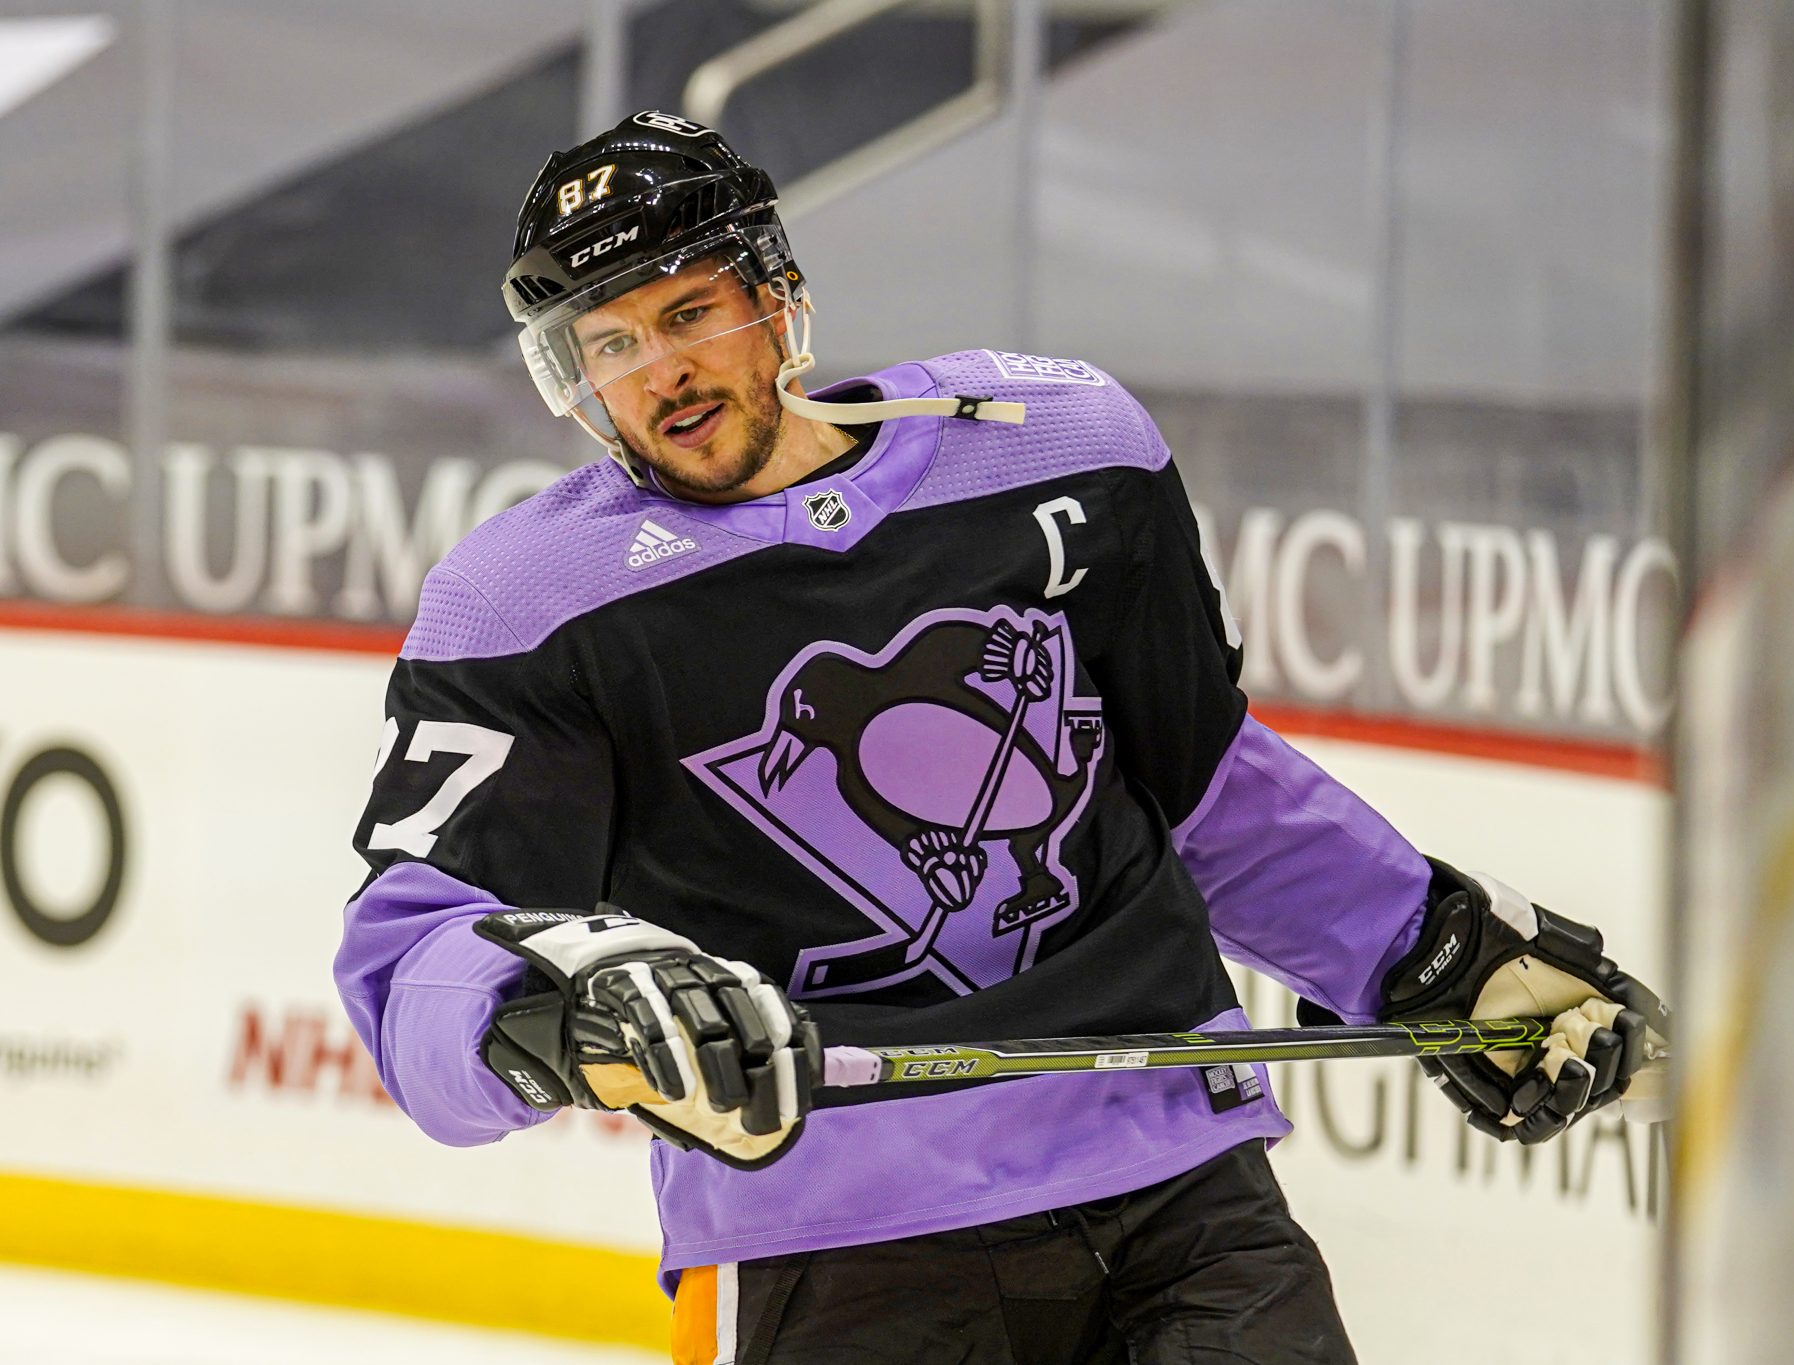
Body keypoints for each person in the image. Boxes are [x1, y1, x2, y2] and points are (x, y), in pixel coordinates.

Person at [335, 110, 1666, 1365]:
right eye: (610, 343)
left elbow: (1205, 793)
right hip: (836, 1247)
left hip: (1174, 1179)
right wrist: (563, 998)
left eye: (690, 311)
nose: (660, 369)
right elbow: (413, 956)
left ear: (777, 295)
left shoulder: (1053, 450)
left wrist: (1426, 950)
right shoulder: (525, 603)